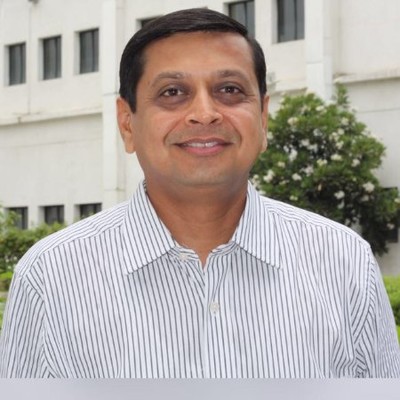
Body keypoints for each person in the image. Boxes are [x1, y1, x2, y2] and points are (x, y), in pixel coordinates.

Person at [0, 8, 399, 378]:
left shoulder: (343, 263)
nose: (205, 113)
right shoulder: (51, 278)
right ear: (127, 123)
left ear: (262, 117)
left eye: (229, 89)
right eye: (173, 92)